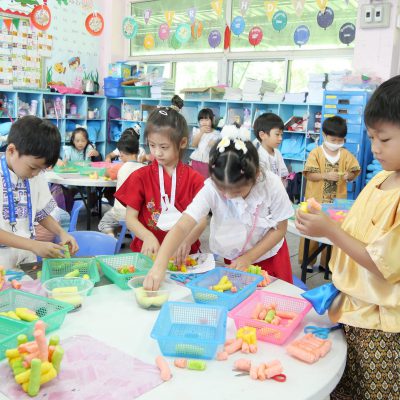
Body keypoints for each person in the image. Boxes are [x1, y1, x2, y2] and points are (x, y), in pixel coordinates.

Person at [295, 75, 400, 400]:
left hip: (380, 325)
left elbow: (382, 263)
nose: (375, 148)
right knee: (342, 387)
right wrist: (324, 223)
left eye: (384, 139)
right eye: (371, 137)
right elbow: (356, 231)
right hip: (351, 311)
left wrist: (329, 230)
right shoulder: (382, 178)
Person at [144, 137, 294, 290]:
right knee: (237, 297)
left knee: (273, 298)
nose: (228, 196)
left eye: (237, 191)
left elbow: (280, 229)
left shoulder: (271, 185)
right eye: (222, 189)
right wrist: (159, 266)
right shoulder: (211, 188)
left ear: (255, 175)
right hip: (235, 258)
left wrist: (249, 257)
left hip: (268, 256)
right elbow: (182, 225)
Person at [115, 107, 206, 264]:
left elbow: (202, 220)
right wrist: (147, 236)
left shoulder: (194, 179)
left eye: (164, 147)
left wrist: (186, 241)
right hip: (149, 254)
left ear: (183, 142)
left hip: (183, 257)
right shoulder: (140, 177)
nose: (157, 153)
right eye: (152, 145)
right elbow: (130, 218)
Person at [0, 116, 78, 268]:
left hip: (26, 257)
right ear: (11, 151)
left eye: (41, 169)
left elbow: (41, 213)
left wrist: (61, 232)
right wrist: (34, 245)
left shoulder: (35, 175)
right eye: (33, 167)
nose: (36, 174)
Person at [299, 115, 361, 269]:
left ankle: (327, 264)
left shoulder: (345, 155)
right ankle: (307, 261)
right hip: (316, 201)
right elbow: (309, 174)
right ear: (324, 135)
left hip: (336, 204)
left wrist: (348, 175)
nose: (337, 143)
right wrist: (325, 175)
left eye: (340, 141)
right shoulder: (316, 153)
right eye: (333, 140)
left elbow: (354, 171)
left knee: (334, 233)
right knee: (311, 230)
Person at [98, 131, 144, 236]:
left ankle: (112, 237)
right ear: (138, 151)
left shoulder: (120, 167)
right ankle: (128, 231)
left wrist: (109, 166)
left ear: (121, 154)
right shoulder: (144, 168)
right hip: (139, 214)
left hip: (120, 212)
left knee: (104, 223)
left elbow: (106, 173)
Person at [253, 112, 288, 184]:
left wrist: (285, 178)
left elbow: (283, 173)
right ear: (262, 135)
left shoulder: (277, 152)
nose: (280, 138)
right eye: (277, 134)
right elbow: (264, 181)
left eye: (281, 134)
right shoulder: (260, 156)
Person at [190, 108, 221, 178]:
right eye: (201, 120)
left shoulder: (216, 134)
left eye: (206, 120)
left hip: (207, 162)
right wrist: (201, 132)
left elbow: (217, 149)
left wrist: (214, 144)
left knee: (205, 181)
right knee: (195, 180)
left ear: (212, 120)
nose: (204, 122)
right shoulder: (197, 131)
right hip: (196, 161)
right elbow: (194, 145)